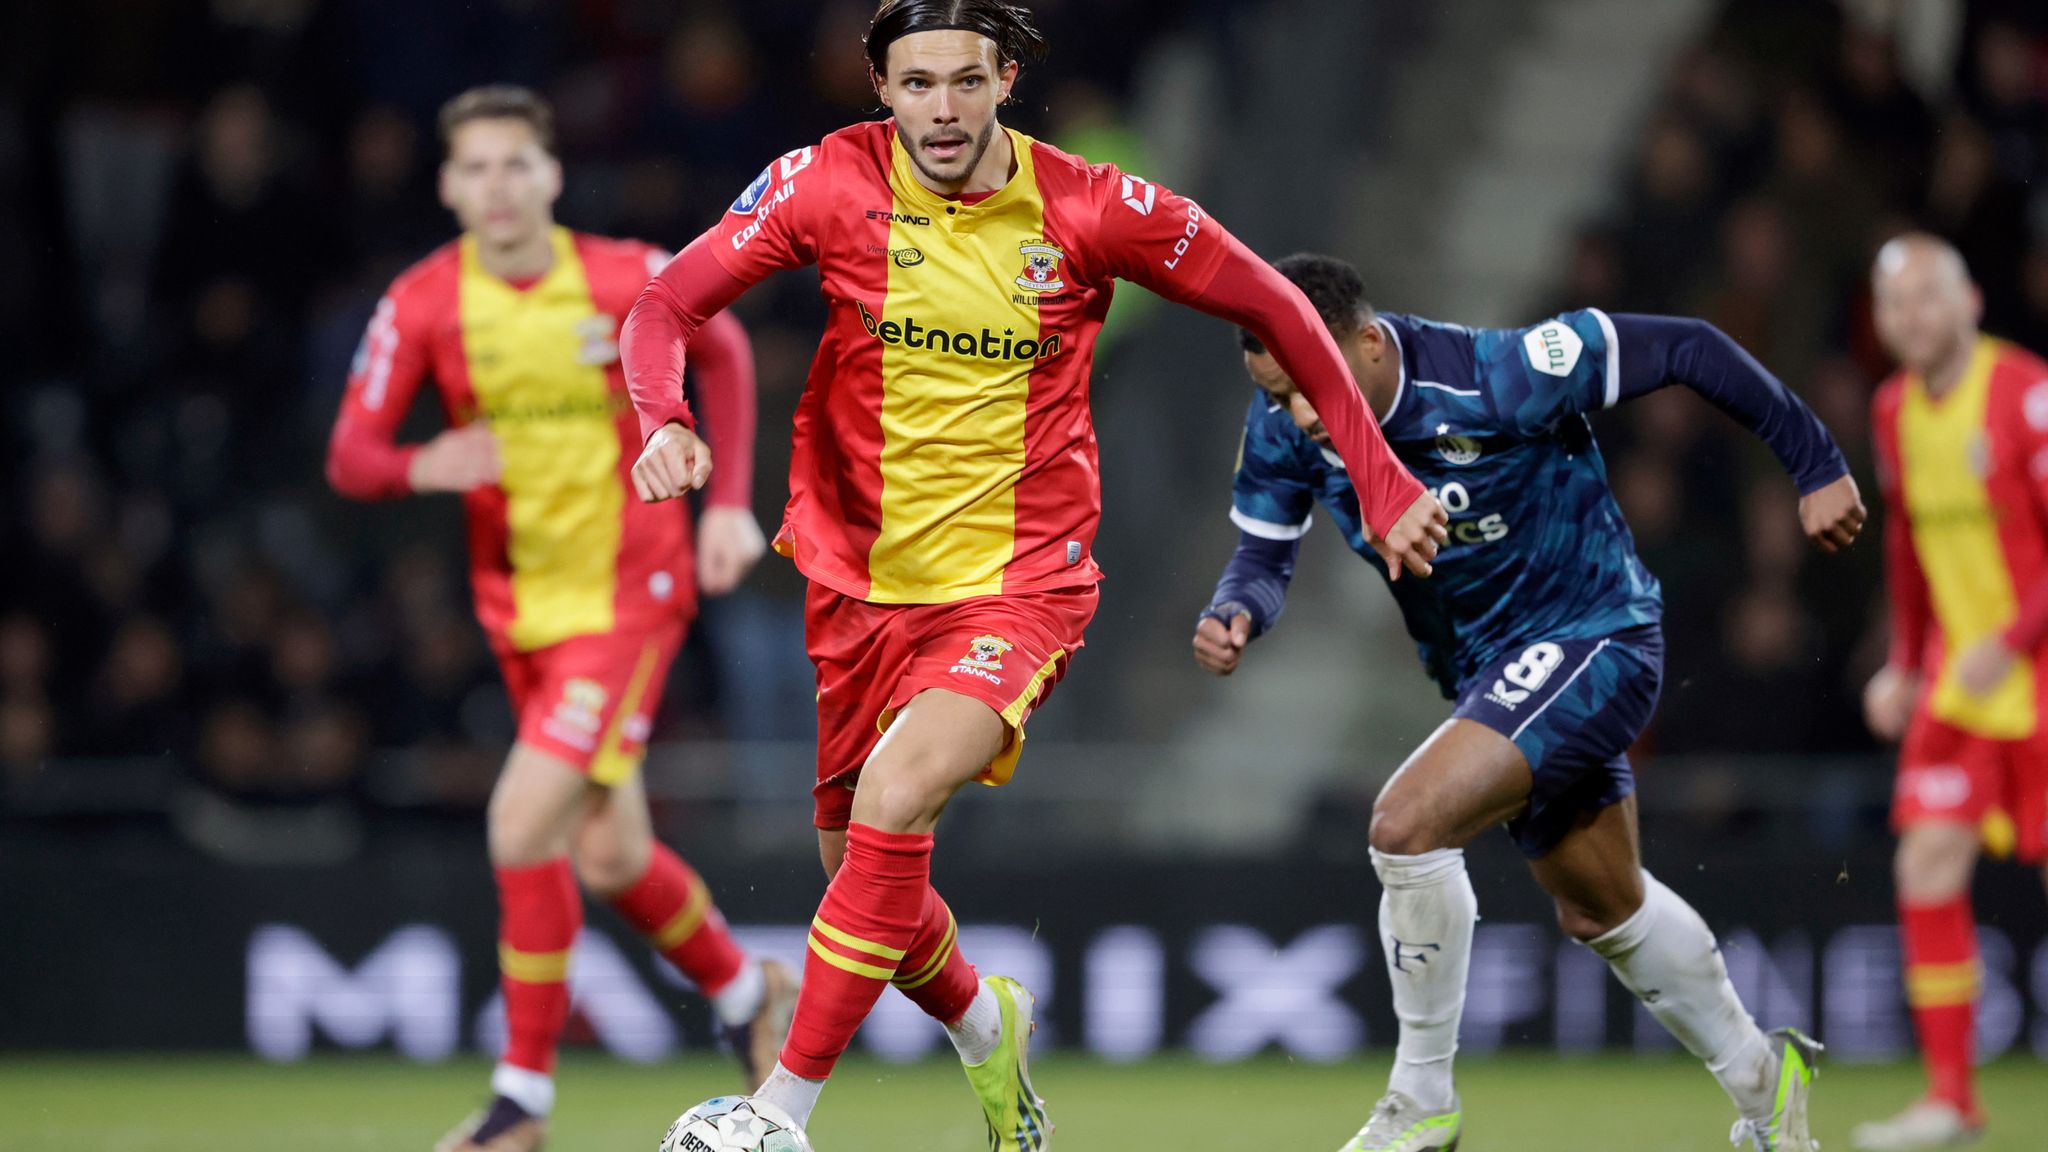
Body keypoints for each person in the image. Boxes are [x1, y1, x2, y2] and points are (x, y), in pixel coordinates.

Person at [622, 3, 1447, 1147]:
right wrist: (660, 417)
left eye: (966, 81)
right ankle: (980, 1026)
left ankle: (775, 1118)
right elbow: (667, 302)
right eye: (916, 86)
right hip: (855, 588)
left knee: (894, 799)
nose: (943, 111)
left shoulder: (1091, 206)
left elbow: (1274, 302)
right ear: (880, 89)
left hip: (1017, 583)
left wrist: (1382, 474)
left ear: (1006, 77)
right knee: (862, 873)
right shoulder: (821, 183)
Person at [1190, 253, 1865, 1152]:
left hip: (1599, 636)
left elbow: (1692, 348)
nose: (1302, 414)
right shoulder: (1286, 428)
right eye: (1278, 395)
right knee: (1600, 908)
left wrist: (1814, 462)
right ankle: (1763, 1080)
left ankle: (1421, 1098)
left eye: (1310, 383)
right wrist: (1237, 611)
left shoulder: (1499, 373)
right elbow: (1265, 557)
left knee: (1404, 825)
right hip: (1494, 674)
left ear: (1367, 341)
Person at [325, 85, 796, 1152]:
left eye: (515, 164)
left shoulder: (624, 275)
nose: (497, 187)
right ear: (447, 187)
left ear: (551, 174)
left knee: (517, 824)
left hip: (630, 594)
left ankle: (519, 1106)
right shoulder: (424, 301)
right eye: (476, 169)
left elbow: (715, 347)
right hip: (520, 611)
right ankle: (740, 988)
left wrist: (725, 507)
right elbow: (350, 455)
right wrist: (420, 463)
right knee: (611, 856)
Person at [1855, 234, 2048, 1151]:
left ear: (1971, 299)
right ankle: (1951, 1099)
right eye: (1895, 303)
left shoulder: (2028, 395)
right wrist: (1904, 659)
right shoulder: (1893, 410)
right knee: (1925, 867)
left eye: (1927, 296)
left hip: (2037, 675)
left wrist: (2009, 640)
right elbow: (1906, 547)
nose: (1912, 316)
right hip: (1959, 690)